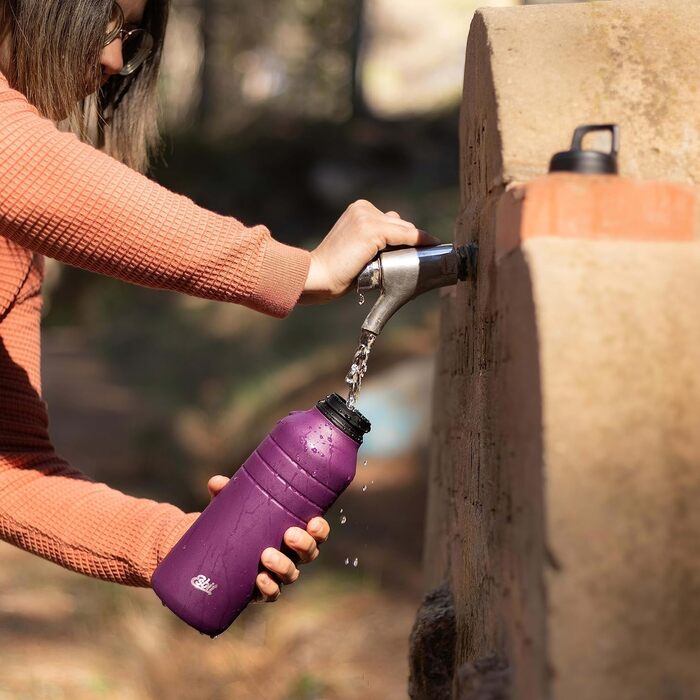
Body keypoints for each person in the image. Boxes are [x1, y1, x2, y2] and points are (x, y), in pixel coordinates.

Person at [0, 0, 437, 603]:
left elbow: (10, 471)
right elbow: (19, 159)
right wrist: (300, 270)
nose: (114, 58)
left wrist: (192, 545)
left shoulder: (15, 246)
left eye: (130, 36)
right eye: (104, 20)